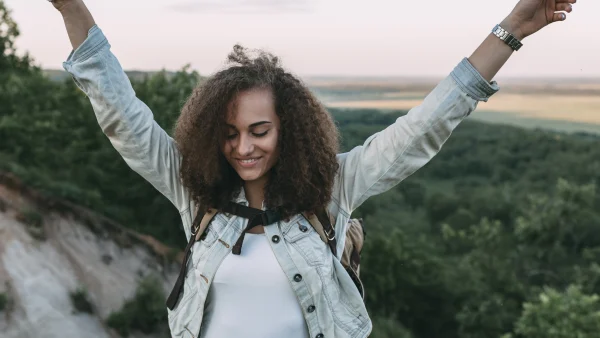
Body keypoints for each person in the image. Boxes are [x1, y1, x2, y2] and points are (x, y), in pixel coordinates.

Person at [48, 0, 577, 337]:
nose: (243, 148)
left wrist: (512, 29)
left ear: (289, 130)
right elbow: (123, 118)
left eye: (260, 131)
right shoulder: (198, 196)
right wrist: (70, 6)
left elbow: (423, 129)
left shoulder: (332, 190)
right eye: (230, 134)